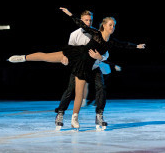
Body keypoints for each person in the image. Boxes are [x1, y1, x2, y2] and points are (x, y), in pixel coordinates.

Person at [8, 7, 146, 130]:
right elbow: (81, 25)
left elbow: (124, 44)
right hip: (76, 54)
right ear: (104, 25)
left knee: (79, 93)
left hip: (86, 66)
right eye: (110, 25)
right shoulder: (95, 33)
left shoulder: (111, 42)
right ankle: (23, 57)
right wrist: (69, 14)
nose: (113, 27)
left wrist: (137, 47)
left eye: (114, 25)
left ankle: (74, 119)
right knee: (47, 57)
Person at [54, 10, 112, 130]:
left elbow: (106, 52)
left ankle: (99, 115)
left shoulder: (97, 32)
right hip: (80, 67)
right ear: (81, 21)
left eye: (90, 20)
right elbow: (69, 50)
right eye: (86, 20)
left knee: (101, 87)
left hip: (94, 66)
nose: (89, 22)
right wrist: (65, 57)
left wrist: (100, 57)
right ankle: (60, 113)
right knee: (70, 89)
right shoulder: (74, 34)